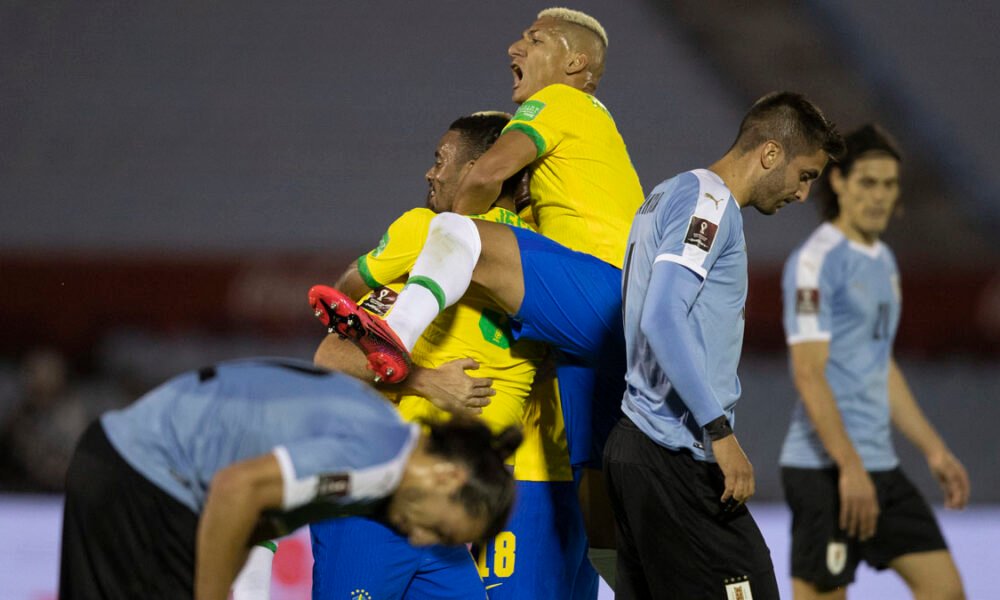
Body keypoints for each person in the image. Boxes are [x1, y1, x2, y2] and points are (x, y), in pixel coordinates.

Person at [313, 6, 644, 472]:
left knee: (457, 230)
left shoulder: (559, 100)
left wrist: (455, 227)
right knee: (593, 474)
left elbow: (488, 172)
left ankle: (395, 335)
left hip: (600, 292)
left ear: (574, 65)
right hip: (608, 325)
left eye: (536, 39)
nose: (515, 47)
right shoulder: (554, 199)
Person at [309, 112, 597, 599]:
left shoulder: (465, 242)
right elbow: (332, 357)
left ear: (484, 169)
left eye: (442, 159)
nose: (431, 173)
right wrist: (424, 380)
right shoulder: (450, 242)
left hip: (440, 513)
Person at [604, 92, 844, 599]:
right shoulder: (709, 205)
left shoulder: (669, 192)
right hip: (673, 451)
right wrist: (719, 432)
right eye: (806, 176)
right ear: (771, 153)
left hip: (635, 447)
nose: (803, 195)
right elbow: (663, 316)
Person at [58, 358, 521, 600]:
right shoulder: (377, 459)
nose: (421, 539)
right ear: (447, 475)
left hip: (123, 464)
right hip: (140, 480)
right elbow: (236, 490)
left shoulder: (383, 440)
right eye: (439, 529)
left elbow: (254, 518)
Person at [779, 124, 969, 599]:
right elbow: (808, 372)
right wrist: (848, 466)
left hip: (879, 468)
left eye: (889, 184)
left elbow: (880, 365)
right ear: (838, 182)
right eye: (868, 182)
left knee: (945, 591)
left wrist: (934, 448)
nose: (880, 195)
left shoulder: (883, 259)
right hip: (825, 471)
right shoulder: (815, 262)